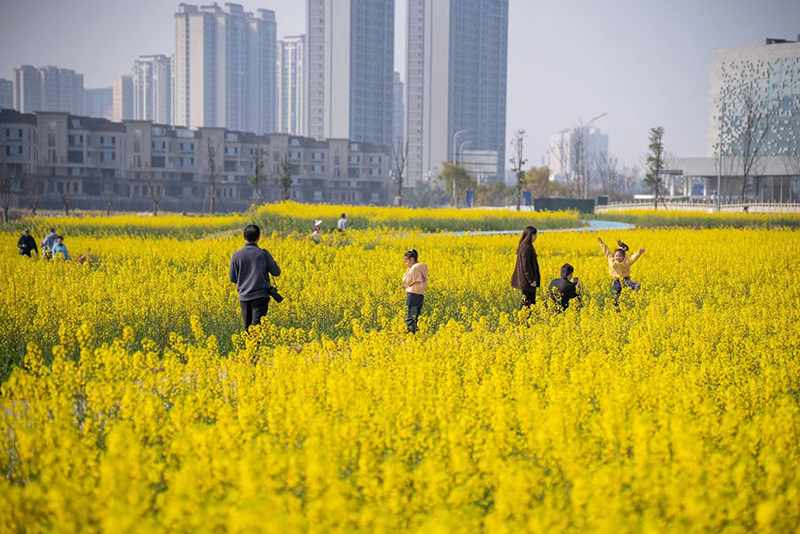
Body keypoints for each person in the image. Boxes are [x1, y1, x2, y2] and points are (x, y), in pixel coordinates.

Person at [229, 224, 281, 331]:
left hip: (244, 297)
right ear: (258, 237)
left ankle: (248, 347)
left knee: (247, 327)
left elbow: (232, 278)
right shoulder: (263, 254)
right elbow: (276, 272)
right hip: (260, 297)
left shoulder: (236, 255)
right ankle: (254, 348)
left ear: (244, 237)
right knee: (257, 327)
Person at [598, 237, 645, 309]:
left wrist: (638, 253)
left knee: (629, 283)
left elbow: (633, 258)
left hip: (625, 278)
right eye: (616, 256)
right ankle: (617, 306)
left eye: (620, 256)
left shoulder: (626, 262)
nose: (618, 257)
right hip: (616, 279)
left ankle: (636, 286)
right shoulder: (611, 260)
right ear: (614, 256)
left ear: (623, 257)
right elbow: (606, 251)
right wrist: (602, 243)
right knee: (617, 291)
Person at [511, 226, 540, 309]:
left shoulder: (526, 246)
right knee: (528, 303)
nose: (536, 237)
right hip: (527, 281)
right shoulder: (526, 247)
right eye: (535, 235)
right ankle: (522, 321)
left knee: (528, 302)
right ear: (531, 235)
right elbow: (525, 266)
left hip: (526, 280)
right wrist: (531, 280)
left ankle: (525, 321)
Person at [401, 249, 428, 334]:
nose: (406, 263)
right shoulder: (423, 268)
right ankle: (416, 334)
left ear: (412, 259)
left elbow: (407, 280)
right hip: (420, 295)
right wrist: (408, 287)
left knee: (410, 316)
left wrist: (407, 271)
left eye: (406, 261)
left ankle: (410, 335)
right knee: (416, 317)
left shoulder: (414, 268)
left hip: (412, 295)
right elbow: (418, 282)